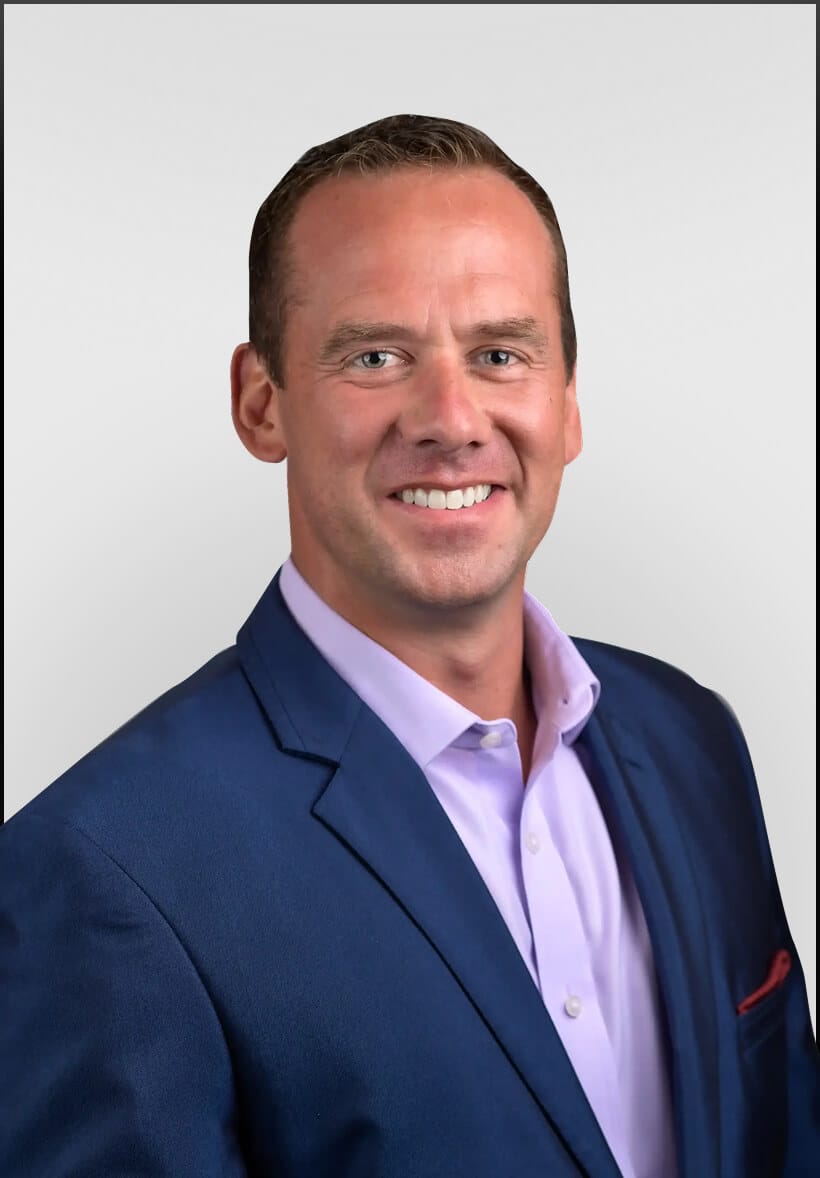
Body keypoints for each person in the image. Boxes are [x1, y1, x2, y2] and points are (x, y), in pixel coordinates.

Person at [1, 113, 817, 1178]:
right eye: (376, 356)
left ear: (568, 403)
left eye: (500, 354)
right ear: (260, 403)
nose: (451, 418)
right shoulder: (101, 871)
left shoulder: (692, 737)